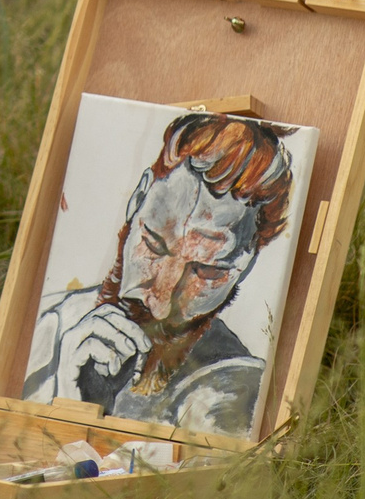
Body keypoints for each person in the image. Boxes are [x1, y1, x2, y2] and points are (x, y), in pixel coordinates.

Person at [22, 113, 295, 435]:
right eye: (153, 245)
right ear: (137, 200)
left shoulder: (233, 387)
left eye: (206, 271)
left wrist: (77, 407)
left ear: (248, 262)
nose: (160, 304)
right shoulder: (45, 320)